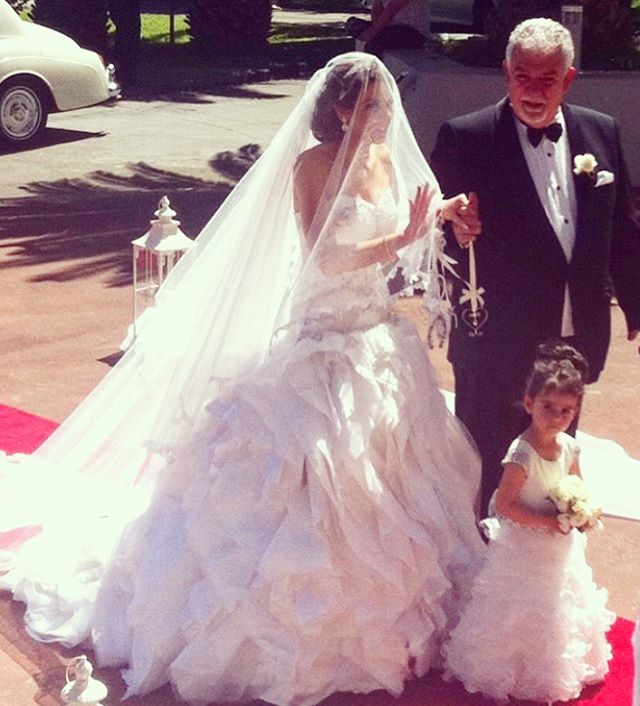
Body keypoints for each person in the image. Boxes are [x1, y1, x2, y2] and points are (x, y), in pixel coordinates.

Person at [0, 53, 485, 706]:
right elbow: (325, 254)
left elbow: (412, 220)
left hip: (377, 334)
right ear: (342, 110)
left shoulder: (386, 159)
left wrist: (442, 214)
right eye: (372, 105)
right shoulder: (311, 164)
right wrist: (398, 238)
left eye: (388, 102)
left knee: (396, 472)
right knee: (308, 473)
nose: (385, 115)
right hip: (322, 336)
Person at [431, 17, 640, 516]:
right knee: (489, 468)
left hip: (574, 335)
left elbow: (623, 228)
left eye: (547, 78)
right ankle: (485, 576)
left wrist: (636, 303)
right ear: (506, 72)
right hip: (496, 340)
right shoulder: (467, 137)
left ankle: (541, 576)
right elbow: (432, 227)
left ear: (569, 79)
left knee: (553, 462)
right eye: (522, 75)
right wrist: (454, 227)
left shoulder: (601, 131)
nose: (532, 89)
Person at [443, 342, 615, 703]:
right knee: (523, 605)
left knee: (557, 604)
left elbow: (576, 480)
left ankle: (553, 665)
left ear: (576, 410)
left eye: (566, 411)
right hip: (526, 544)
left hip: (559, 544)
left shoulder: (570, 446)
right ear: (529, 403)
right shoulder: (522, 454)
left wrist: (580, 508)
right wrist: (548, 522)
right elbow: (505, 505)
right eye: (548, 407)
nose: (556, 417)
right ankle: (513, 668)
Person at [345, 0, 428, 59]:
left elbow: (392, 8)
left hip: (412, 32)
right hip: (392, 29)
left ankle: (372, 78)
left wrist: (373, 32)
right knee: (353, 25)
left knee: (373, 44)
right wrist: (374, 29)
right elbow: (377, 9)